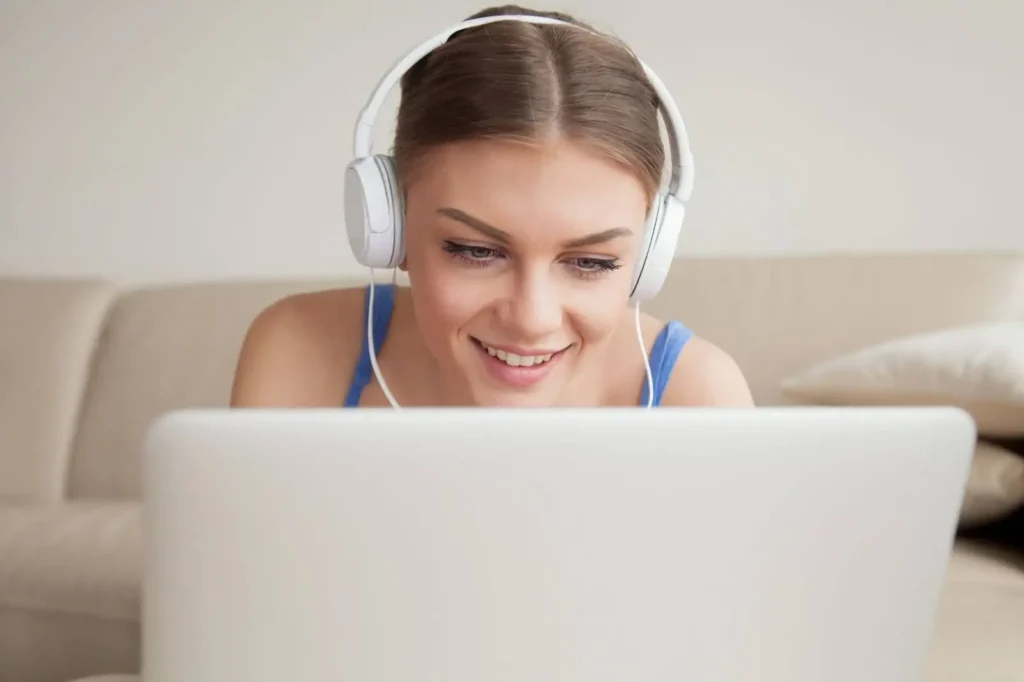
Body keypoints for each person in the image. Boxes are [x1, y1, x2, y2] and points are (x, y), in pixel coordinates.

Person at [230, 4, 754, 409]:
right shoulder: (300, 350)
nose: (531, 319)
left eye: (591, 263)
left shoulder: (698, 396)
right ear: (392, 226)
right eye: (475, 251)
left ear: (646, 256)